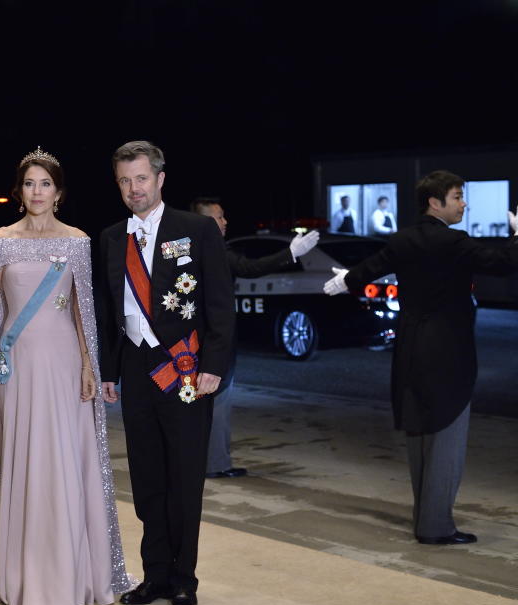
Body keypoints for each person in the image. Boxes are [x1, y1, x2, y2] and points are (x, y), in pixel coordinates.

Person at [0, 147, 132, 605]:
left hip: (63, 367)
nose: (37, 192)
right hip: (16, 369)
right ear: (19, 192)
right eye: (29, 184)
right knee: (26, 464)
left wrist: (89, 365)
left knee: (62, 462)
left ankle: (68, 578)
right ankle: (23, 578)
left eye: (45, 184)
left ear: (58, 191)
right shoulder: (0, 240)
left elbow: (85, 312)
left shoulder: (77, 241)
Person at [324, 170, 518, 545]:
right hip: (449, 350)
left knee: (420, 434)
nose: (464, 203)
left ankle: (426, 519)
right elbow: (502, 261)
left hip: (411, 346)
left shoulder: (403, 239)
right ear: (435, 202)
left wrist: (345, 280)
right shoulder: (453, 241)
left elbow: (371, 268)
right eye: (458, 197)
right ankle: (436, 527)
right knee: (447, 436)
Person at [96, 141, 234, 605]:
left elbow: (219, 301)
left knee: (184, 478)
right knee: (148, 477)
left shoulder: (195, 230)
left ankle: (184, 580)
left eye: (140, 178)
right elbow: (106, 311)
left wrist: (215, 364)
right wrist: (108, 373)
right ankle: (154, 573)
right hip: (136, 370)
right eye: (124, 181)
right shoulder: (113, 237)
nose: (133, 189)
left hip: (187, 368)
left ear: (159, 178)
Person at [191, 197, 319, 478]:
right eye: (219, 217)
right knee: (217, 404)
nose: (225, 222)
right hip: (214, 342)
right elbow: (251, 268)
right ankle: (215, 465)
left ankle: (204, 463)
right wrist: (291, 253)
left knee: (202, 407)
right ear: (203, 222)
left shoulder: (184, 250)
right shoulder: (213, 250)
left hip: (196, 341)